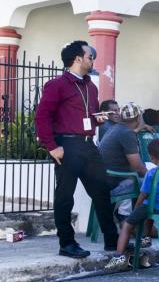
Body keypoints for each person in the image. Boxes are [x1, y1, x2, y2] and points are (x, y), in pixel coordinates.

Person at [35, 40, 119, 258]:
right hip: (67, 145)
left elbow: (89, 116)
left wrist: (98, 119)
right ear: (78, 59)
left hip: (88, 145)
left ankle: (113, 240)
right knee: (65, 196)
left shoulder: (91, 86)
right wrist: (52, 146)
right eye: (90, 57)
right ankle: (67, 244)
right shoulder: (57, 84)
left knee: (101, 190)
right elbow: (42, 117)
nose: (93, 60)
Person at [104, 138, 159, 270]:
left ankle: (118, 256)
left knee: (126, 225)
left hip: (152, 206)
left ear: (152, 158)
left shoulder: (152, 173)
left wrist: (136, 207)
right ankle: (146, 237)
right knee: (148, 216)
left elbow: (143, 194)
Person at [98, 103, 149, 220]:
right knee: (155, 183)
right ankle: (135, 221)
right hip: (114, 183)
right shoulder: (126, 133)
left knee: (149, 174)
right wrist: (153, 178)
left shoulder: (117, 128)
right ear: (138, 118)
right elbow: (138, 168)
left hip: (107, 179)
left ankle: (131, 218)